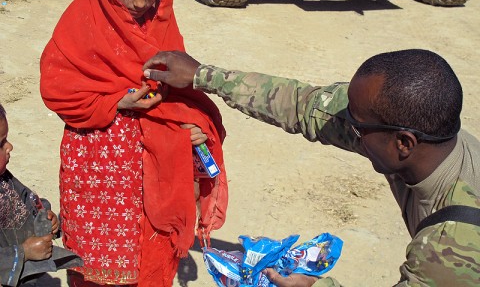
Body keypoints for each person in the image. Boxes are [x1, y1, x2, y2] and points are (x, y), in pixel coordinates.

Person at [142, 49, 480, 286]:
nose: (348, 129)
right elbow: (303, 105)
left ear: (403, 143)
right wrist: (204, 76)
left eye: (357, 127)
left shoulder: (452, 247)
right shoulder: (423, 141)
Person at [39, 0, 228, 286]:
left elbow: (185, 95)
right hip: (99, 174)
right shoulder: (79, 27)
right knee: (98, 268)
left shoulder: (161, 27)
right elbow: (57, 88)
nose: (141, 3)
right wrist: (118, 101)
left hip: (153, 171)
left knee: (150, 257)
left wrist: (192, 126)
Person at [0, 104, 83, 286]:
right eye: (1, 143)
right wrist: (23, 252)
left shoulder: (4, 180)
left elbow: (28, 199)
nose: (10, 146)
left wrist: (45, 215)